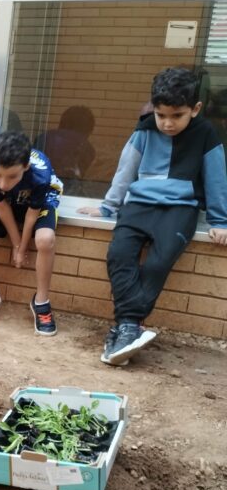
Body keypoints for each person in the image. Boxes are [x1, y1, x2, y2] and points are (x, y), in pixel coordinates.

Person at [79, 67, 227, 365]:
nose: (167, 123)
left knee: (158, 263)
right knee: (119, 255)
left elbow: (216, 177)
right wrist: (108, 206)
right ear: (153, 109)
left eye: (177, 116)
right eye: (161, 115)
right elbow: (126, 169)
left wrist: (219, 220)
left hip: (179, 209)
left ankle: (125, 326)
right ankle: (130, 328)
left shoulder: (206, 134)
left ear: (195, 109)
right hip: (138, 206)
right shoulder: (145, 129)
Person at [0, 131, 62, 334]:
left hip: (39, 201)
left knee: (45, 239)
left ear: (25, 167)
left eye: (11, 176)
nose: (2, 184)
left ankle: (41, 302)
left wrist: (22, 248)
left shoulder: (40, 176)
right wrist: (15, 243)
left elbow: (31, 215)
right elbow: (2, 208)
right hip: (8, 202)